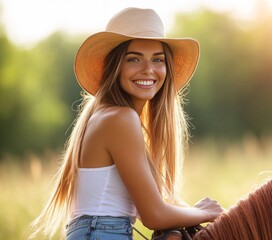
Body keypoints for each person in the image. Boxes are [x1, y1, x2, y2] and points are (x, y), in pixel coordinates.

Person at [29, 7, 224, 240]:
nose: (148, 70)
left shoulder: (109, 116)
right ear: (115, 66)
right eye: (134, 58)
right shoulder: (121, 118)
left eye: (158, 59)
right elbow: (153, 216)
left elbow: (151, 209)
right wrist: (203, 212)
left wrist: (186, 213)